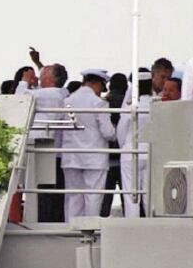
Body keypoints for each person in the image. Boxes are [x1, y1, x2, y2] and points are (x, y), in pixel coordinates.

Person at [61, 69, 116, 222]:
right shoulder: (99, 103)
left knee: (74, 196)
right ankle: (89, 228)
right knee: (93, 195)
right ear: (97, 83)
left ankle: (71, 229)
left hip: (71, 156)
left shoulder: (67, 102)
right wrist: (116, 130)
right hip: (95, 157)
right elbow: (108, 133)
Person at [28, 63, 69, 223]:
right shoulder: (59, 93)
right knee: (50, 190)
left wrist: (24, 81)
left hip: (43, 145)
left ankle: (42, 221)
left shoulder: (51, 94)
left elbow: (20, 98)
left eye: (42, 74)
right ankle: (51, 220)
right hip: (52, 148)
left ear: (50, 79)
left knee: (42, 190)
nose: (39, 77)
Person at [118, 71, 153, 217]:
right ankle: (153, 223)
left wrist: (123, 147)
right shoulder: (155, 104)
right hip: (150, 152)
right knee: (149, 193)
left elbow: (121, 131)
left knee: (131, 193)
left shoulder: (130, 107)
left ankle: (132, 223)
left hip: (130, 151)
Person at [100, 73, 128, 216]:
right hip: (125, 155)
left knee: (104, 199)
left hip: (107, 156)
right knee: (129, 196)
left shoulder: (104, 102)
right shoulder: (128, 103)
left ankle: (101, 224)